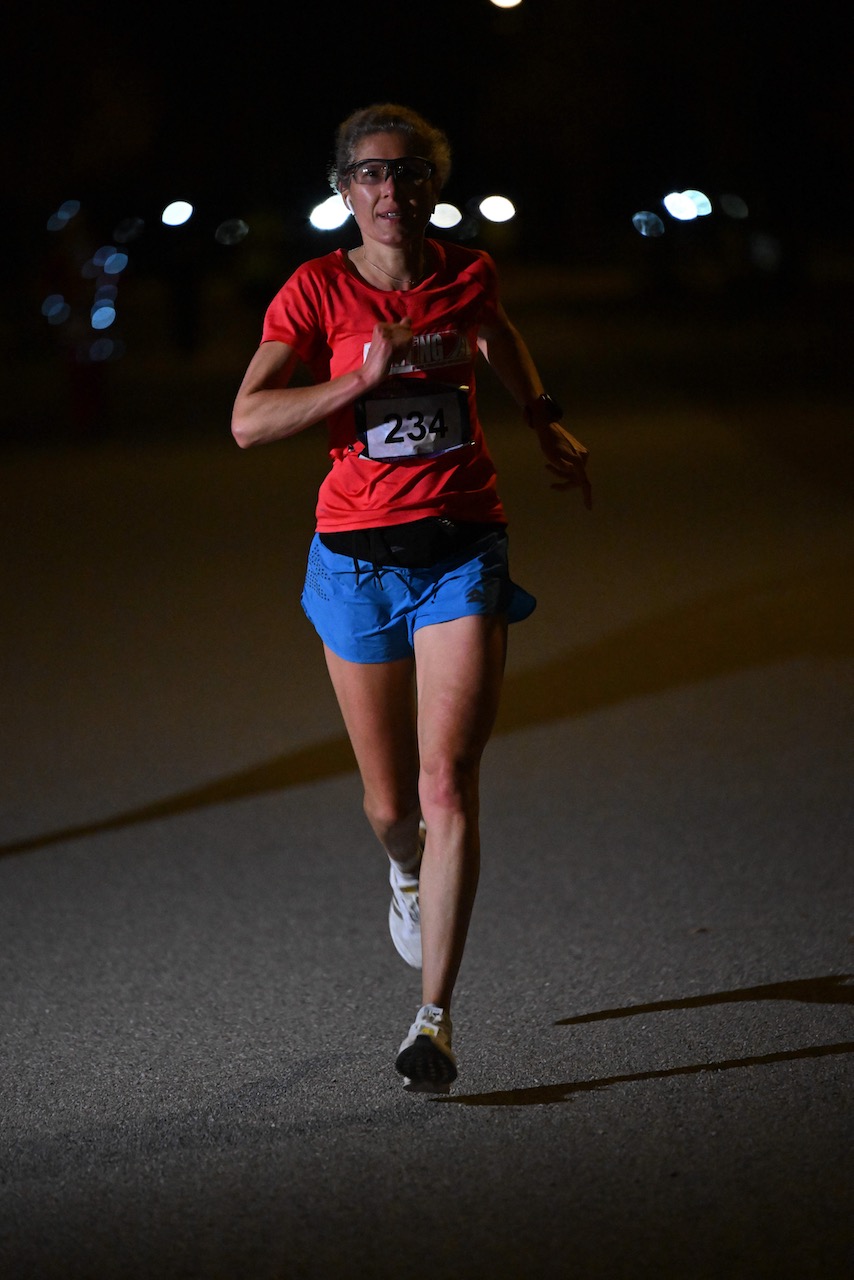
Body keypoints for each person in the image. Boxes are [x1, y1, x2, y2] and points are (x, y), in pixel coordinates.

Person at [231, 103, 590, 1094]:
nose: (392, 192)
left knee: (447, 783)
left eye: (410, 173)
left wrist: (543, 417)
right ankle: (402, 869)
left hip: (462, 544)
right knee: (392, 804)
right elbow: (249, 420)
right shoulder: (313, 290)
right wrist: (358, 378)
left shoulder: (465, 271)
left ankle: (432, 1016)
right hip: (354, 556)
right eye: (372, 176)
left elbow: (495, 333)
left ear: (433, 185)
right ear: (345, 190)